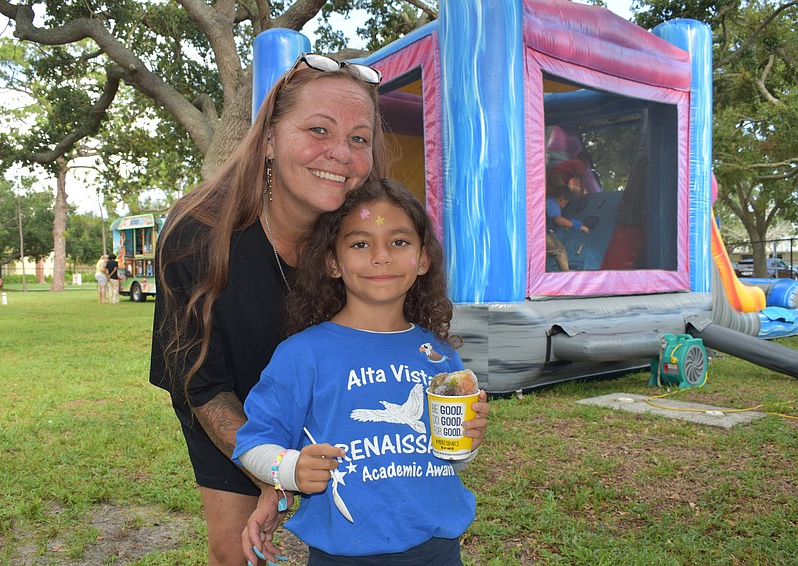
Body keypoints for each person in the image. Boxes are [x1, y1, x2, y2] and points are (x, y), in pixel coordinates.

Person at [150, 53, 390, 565]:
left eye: (359, 138)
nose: (341, 154)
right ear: (269, 141)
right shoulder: (198, 233)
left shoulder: (367, 237)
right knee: (238, 552)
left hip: (327, 401)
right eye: (319, 130)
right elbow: (202, 383)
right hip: (227, 396)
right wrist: (272, 473)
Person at [233, 179, 490, 566]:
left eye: (400, 242)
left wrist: (466, 442)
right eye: (360, 244)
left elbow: (450, 460)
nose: (381, 257)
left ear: (423, 259)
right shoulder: (303, 355)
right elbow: (251, 444)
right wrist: (291, 470)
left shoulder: (439, 357)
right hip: (344, 556)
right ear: (332, 262)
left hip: (439, 552)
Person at [546, 184, 589, 272]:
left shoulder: (546, 200)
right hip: (540, 234)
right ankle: (565, 275)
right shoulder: (553, 205)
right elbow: (558, 220)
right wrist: (578, 225)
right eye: (565, 203)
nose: (564, 206)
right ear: (561, 199)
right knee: (560, 251)